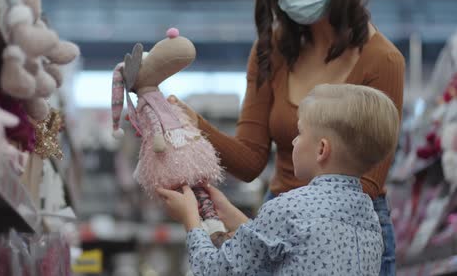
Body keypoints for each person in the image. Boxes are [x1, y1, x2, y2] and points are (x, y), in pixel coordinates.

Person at [167, 0, 405, 274]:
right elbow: (251, 159)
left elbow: (366, 182)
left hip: (342, 225)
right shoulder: (272, 52)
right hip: (280, 215)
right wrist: (193, 122)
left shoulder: (383, 61)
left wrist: (212, 224)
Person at [157, 84, 401, 275]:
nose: (294, 141)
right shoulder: (369, 219)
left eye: (300, 133)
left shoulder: (288, 209)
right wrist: (228, 213)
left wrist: (190, 220)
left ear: (321, 150)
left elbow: (214, 270)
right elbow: (288, 250)